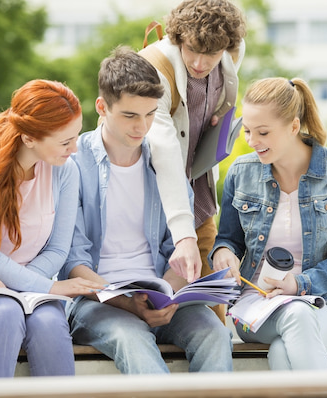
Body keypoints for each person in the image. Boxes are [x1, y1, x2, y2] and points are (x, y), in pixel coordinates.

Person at [58, 46, 233, 374]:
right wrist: (127, 304)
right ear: (102, 107)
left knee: (214, 333)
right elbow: (72, 260)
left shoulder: (164, 160)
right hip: (96, 301)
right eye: (130, 115)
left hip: (160, 295)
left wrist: (165, 297)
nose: (142, 127)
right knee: (133, 339)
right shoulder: (72, 162)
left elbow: (177, 250)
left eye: (151, 114)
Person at [0, 79, 105, 378]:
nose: (74, 148)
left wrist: (20, 286)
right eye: (65, 141)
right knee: (2, 315)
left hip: (29, 291)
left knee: (49, 323)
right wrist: (49, 287)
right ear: (28, 138)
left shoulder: (66, 170)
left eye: (75, 136)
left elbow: (57, 249)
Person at [210, 77, 327, 371]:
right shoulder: (241, 173)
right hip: (256, 306)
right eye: (247, 131)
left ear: (294, 127)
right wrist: (223, 253)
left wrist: (300, 284)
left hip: (321, 303)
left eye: (263, 132)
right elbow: (228, 239)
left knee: (285, 347)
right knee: (297, 316)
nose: (252, 141)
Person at [144, 0, 247, 322]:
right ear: (177, 38)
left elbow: (220, 95)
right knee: (152, 303)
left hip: (199, 192)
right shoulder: (152, 69)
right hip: (149, 194)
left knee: (213, 302)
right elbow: (163, 151)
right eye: (192, 50)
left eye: (212, 55)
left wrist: (216, 114)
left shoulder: (232, 51)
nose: (201, 63)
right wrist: (183, 233)